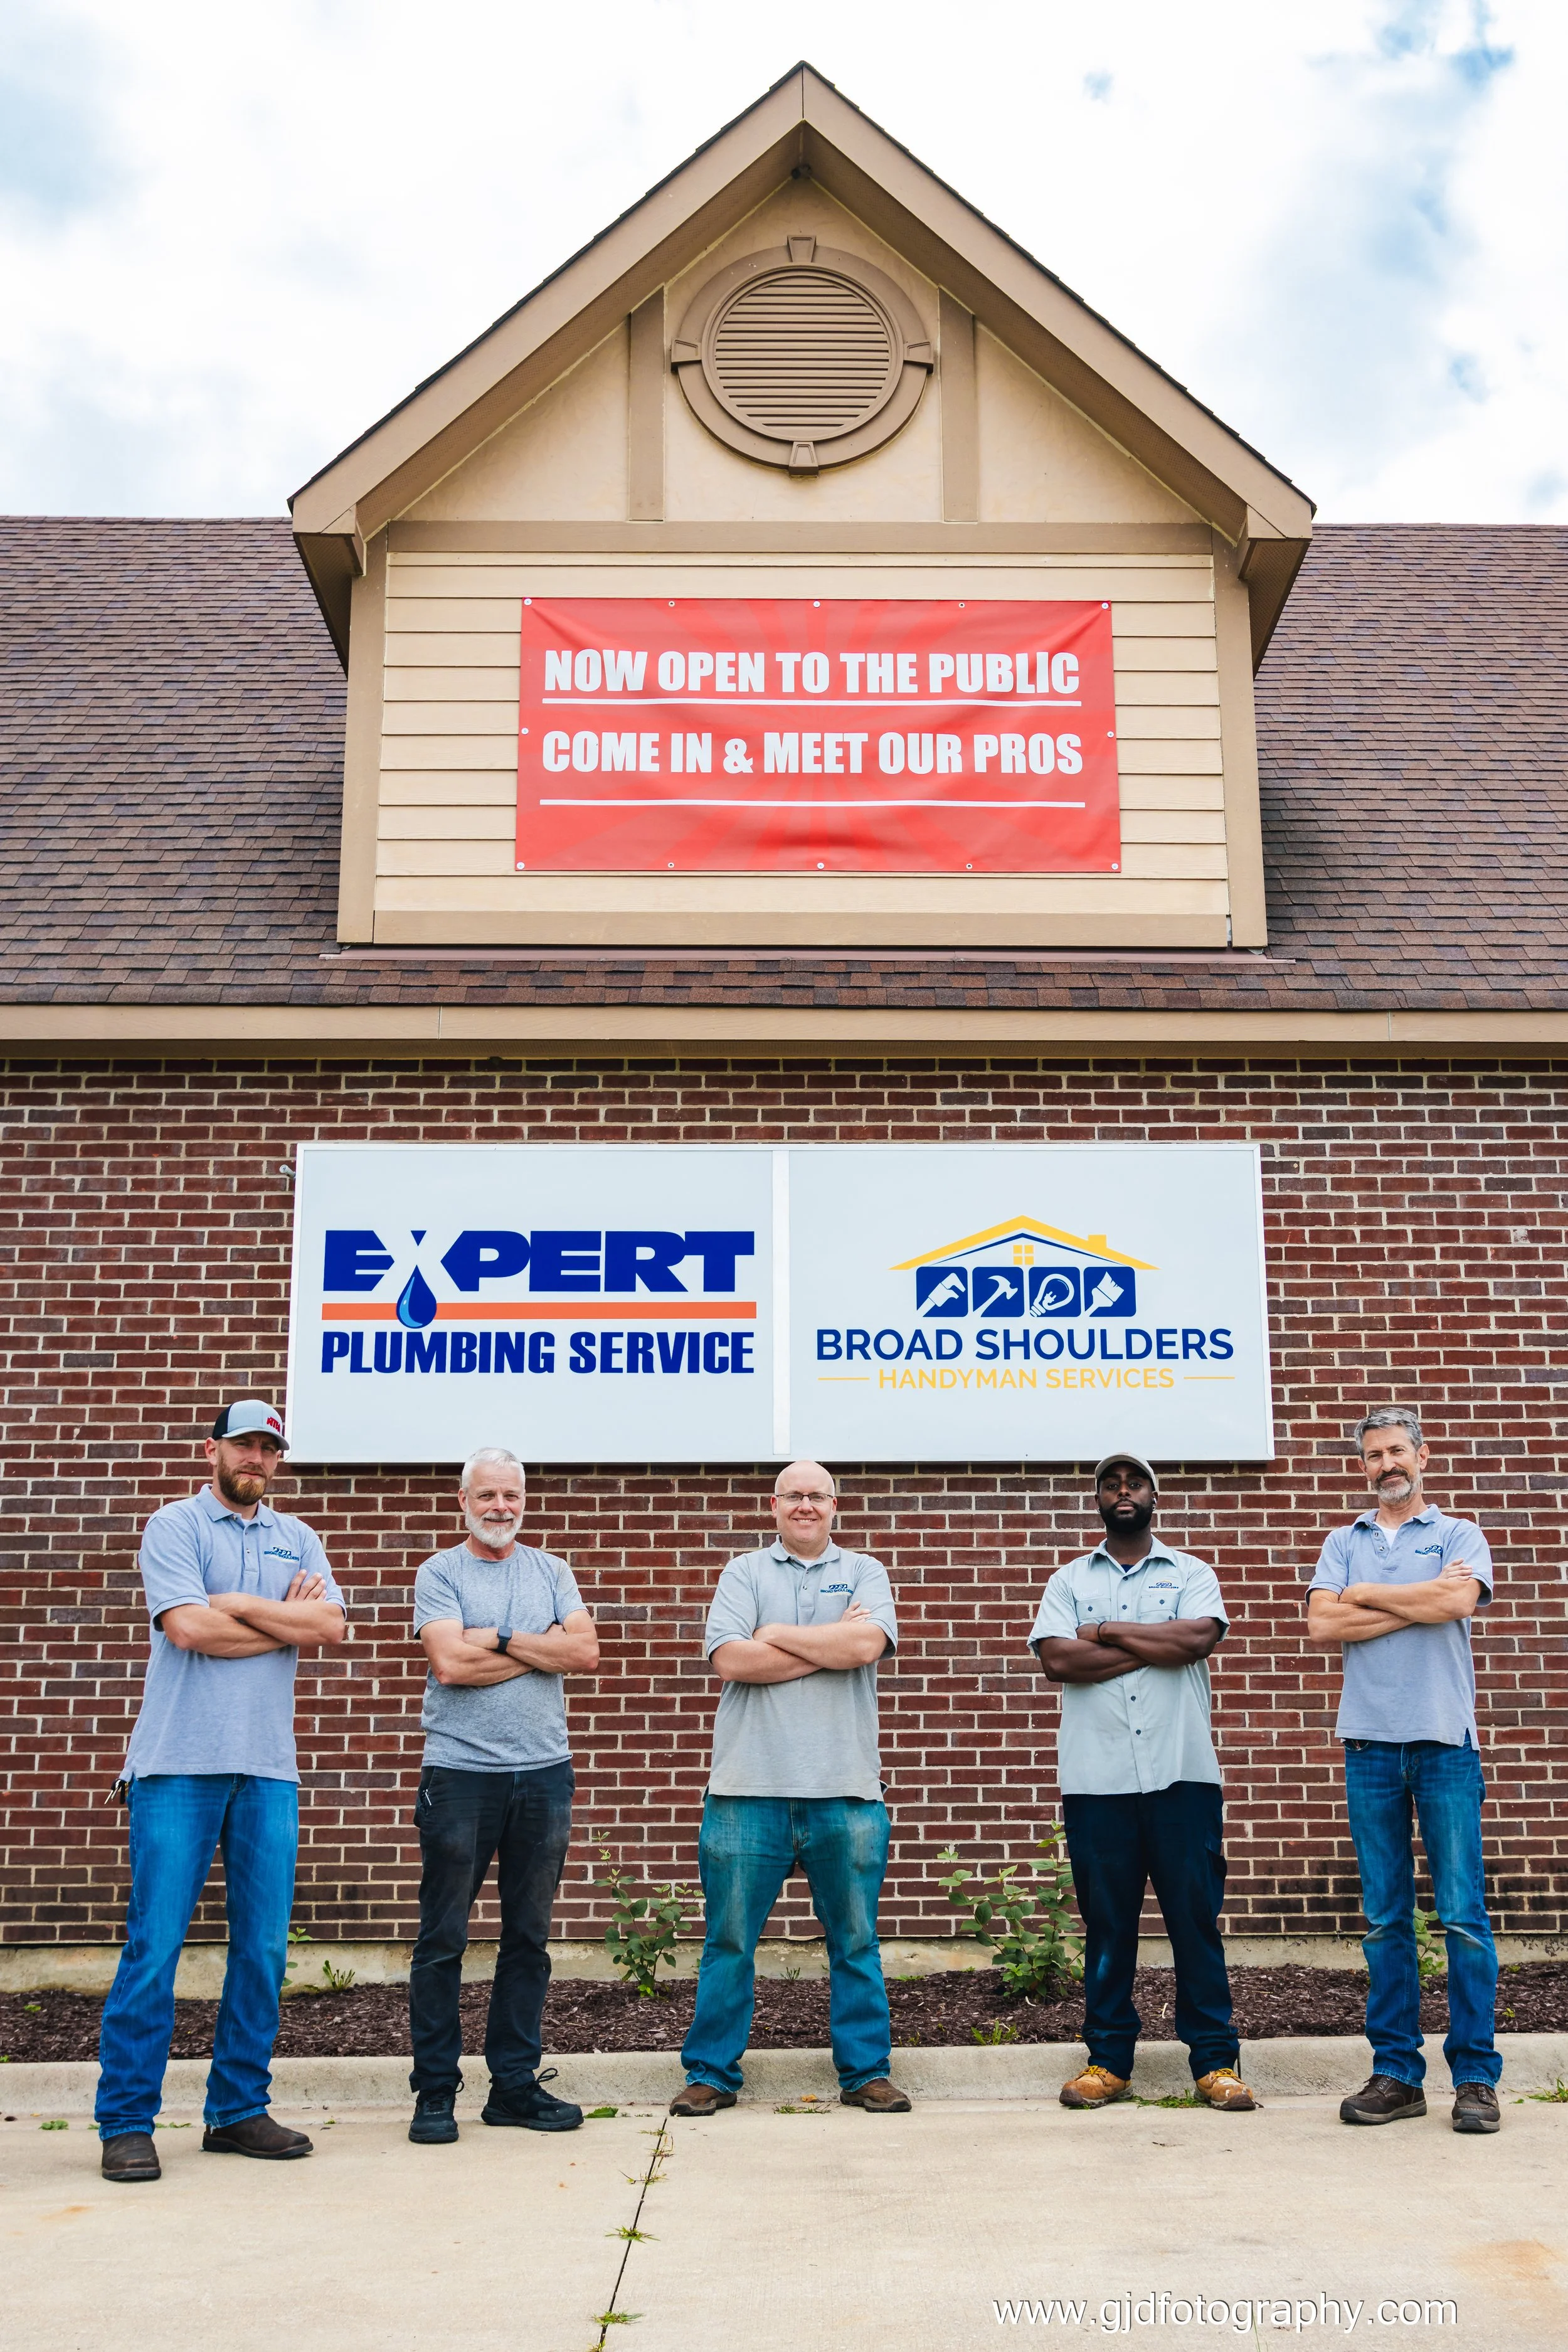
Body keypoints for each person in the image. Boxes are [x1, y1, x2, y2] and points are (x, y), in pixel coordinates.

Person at [95, 1399, 348, 2185]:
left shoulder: (297, 1538)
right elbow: (187, 1632)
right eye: (243, 1444)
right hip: (176, 1764)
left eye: (269, 1448)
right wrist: (275, 1620)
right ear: (213, 1450)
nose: (256, 1458)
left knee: (264, 1949)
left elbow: (332, 1628)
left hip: (268, 1768)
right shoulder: (174, 1527)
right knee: (155, 1946)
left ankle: (237, 2110)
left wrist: (233, 1604)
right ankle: (127, 2122)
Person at [672, 1462, 909, 2118]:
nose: (805, 1505)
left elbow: (867, 1645)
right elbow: (730, 1659)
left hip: (846, 1789)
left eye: (817, 1496)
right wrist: (829, 1643)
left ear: (834, 1505)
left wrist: (773, 1635)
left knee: (855, 1943)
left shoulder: (866, 1570)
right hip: (748, 1789)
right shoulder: (744, 1572)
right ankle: (711, 2074)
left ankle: (866, 2073)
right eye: (793, 1496)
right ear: (774, 1505)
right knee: (728, 1941)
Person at [1030, 1453, 1254, 2113]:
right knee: (1107, 1925)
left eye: (1134, 1484)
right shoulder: (1068, 1579)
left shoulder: (1191, 1572)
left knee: (1193, 1921)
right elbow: (1057, 1659)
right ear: (1097, 1499)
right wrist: (1148, 1641)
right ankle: (1107, 2062)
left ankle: (1215, 2063)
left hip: (1181, 1776)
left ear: (1154, 1496)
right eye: (1111, 1485)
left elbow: (1195, 1640)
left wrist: (1104, 1631)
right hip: (1097, 1782)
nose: (1122, 1493)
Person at [1307, 1407, 1500, 2134]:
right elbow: (1323, 1625)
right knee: (1386, 1919)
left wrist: (1365, 1595)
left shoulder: (1459, 1536)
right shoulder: (1341, 1540)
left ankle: (1476, 2079)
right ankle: (1396, 2074)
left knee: (1463, 1917)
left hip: (1444, 1743)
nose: (1385, 1464)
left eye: (1396, 1451)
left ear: (1422, 1456)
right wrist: (1416, 1604)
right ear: (1362, 1466)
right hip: (1369, 1745)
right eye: (1371, 1455)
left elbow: (1457, 1599)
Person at [406, 1446, 600, 2144]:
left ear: (523, 1501)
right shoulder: (439, 1573)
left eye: (510, 1496)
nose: (499, 1508)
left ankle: (513, 2089)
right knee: (442, 1939)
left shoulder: (553, 1571)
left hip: (544, 1775)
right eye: (486, 1495)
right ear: (464, 1501)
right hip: (460, 1777)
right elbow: (450, 1664)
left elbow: (583, 1654)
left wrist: (504, 1636)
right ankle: (434, 2092)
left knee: (528, 1938)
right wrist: (535, 1647)